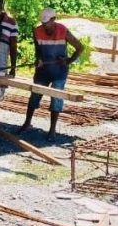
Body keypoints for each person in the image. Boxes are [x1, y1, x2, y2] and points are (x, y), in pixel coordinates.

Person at [18, 8, 83, 141]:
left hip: (59, 71)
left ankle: (52, 130)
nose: (44, 25)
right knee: (35, 95)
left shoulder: (63, 30)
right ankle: (27, 122)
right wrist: (38, 60)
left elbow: (80, 47)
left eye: (46, 23)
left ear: (53, 20)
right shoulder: (37, 31)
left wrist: (68, 61)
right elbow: (38, 51)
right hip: (43, 71)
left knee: (56, 98)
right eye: (42, 23)